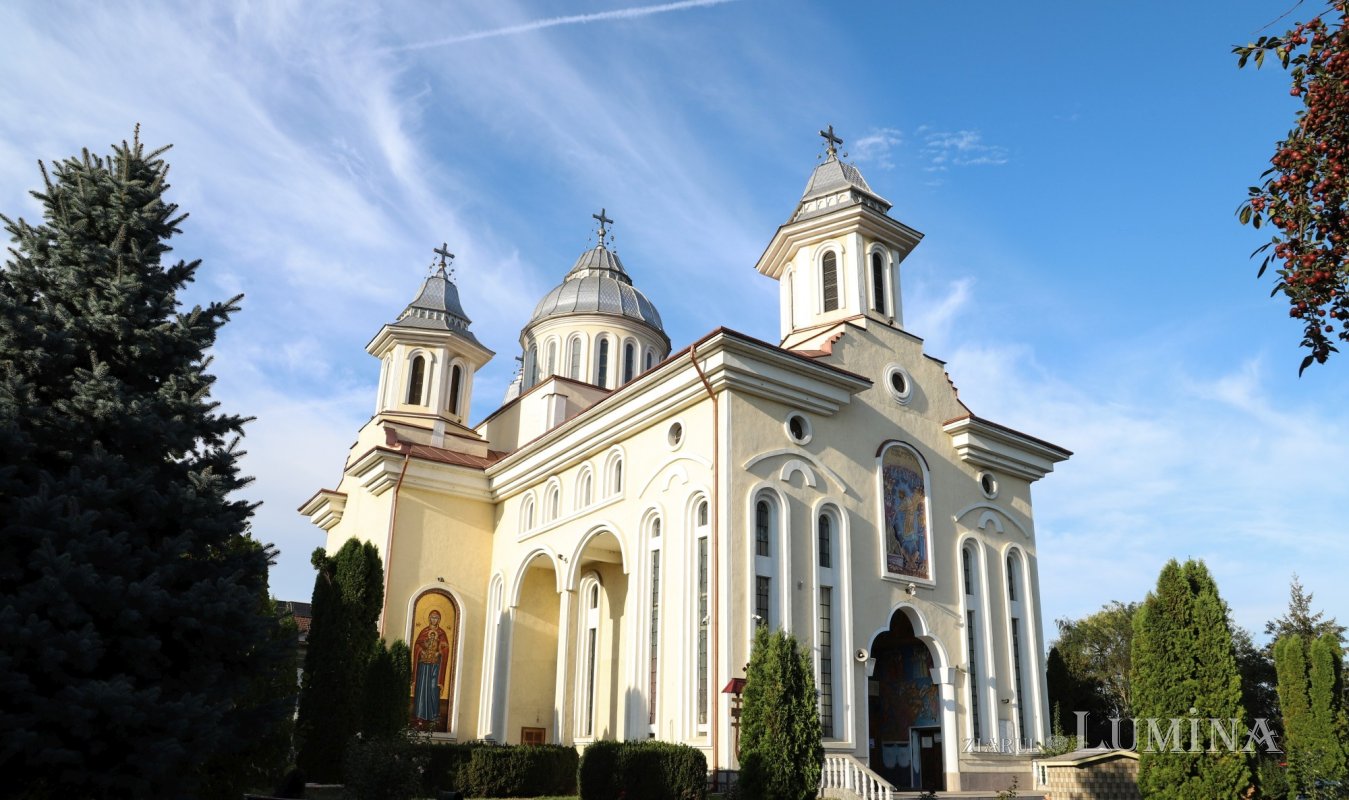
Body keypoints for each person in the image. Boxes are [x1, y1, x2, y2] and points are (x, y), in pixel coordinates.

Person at [412, 609, 451, 726]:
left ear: (439, 620)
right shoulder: (424, 632)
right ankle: (419, 715)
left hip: (435, 666)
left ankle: (434, 716)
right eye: (432, 617)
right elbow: (417, 645)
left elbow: (446, 648)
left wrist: (439, 653)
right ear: (429, 618)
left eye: (436, 618)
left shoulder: (442, 633)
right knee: (422, 687)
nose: (434, 620)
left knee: (434, 688)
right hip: (423, 666)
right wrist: (421, 651)